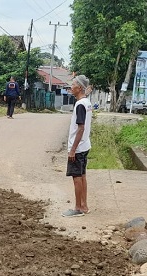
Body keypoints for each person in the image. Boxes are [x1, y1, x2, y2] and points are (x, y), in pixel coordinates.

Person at [62, 75, 92, 218]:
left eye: (73, 85)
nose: (71, 87)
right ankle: (84, 206)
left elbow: (80, 128)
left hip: (78, 148)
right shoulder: (87, 103)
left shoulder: (80, 105)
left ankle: (78, 208)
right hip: (85, 145)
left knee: (76, 177)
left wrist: (72, 149)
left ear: (79, 87)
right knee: (82, 175)